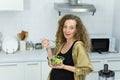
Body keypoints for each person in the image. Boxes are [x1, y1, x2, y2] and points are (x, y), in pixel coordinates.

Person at [41, 14, 93, 80]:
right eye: (65, 27)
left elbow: (86, 69)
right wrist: (48, 48)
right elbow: (52, 64)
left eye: (71, 28)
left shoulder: (78, 46)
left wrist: (64, 66)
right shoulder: (62, 44)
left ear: (77, 30)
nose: (67, 30)